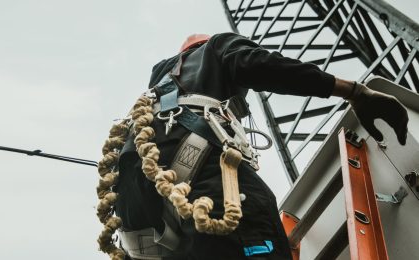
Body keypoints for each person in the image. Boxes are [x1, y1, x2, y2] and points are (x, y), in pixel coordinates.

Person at [108, 33, 410, 259]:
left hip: (150, 217)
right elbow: (259, 65)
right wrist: (354, 91)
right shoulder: (215, 49)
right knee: (254, 219)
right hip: (207, 179)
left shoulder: (153, 102)